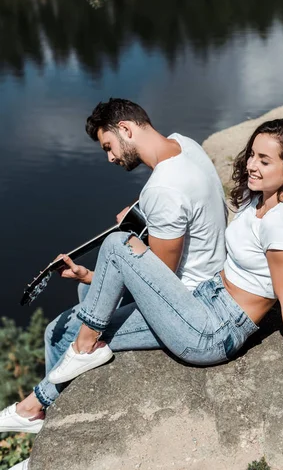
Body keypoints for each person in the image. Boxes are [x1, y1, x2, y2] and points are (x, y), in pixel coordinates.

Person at [0, 98, 227, 436]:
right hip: (208, 275)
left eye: (108, 146)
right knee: (85, 289)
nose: (110, 157)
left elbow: (158, 280)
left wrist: (132, 236)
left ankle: (42, 418)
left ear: (126, 129)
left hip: (188, 302)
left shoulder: (162, 187)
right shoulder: (185, 145)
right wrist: (90, 274)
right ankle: (42, 410)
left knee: (57, 334)